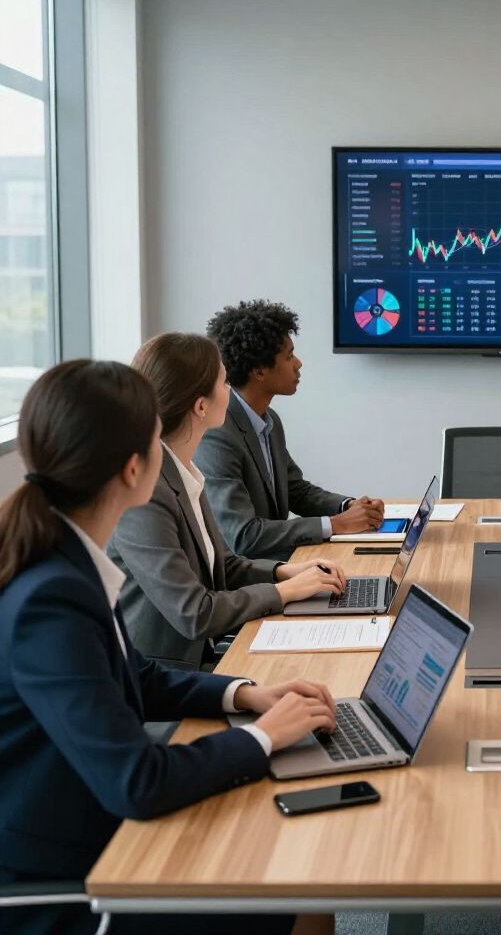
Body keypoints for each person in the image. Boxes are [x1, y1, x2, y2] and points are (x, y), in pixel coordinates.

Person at [0, 360, 338, 934]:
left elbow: (140, 677)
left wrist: (245, 694)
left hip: (98, 826)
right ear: (136, 467)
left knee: (295, 862)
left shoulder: (66, 560)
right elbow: (137, 781)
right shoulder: (50, 599)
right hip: (72, 882)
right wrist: (265, 737)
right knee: (291, 876)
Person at [109, 334, 347, 670]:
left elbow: (222, 565)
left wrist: (283, 572)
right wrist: (285, 592)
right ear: (201, 406)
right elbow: (195, 612)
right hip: (164, 679)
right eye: (224, 381)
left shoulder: (182, 470)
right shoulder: (145, 494)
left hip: (202, 657)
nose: (231, 391)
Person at [196, 299, 383, 558]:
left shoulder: (268, 419)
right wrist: (336, 525)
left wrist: (347, 506)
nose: (298, 363)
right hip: (245, 582)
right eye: (289, 356)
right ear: (260, 371)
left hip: (284, 564)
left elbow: (296, 490)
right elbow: (242, 536)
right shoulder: (217, 434)